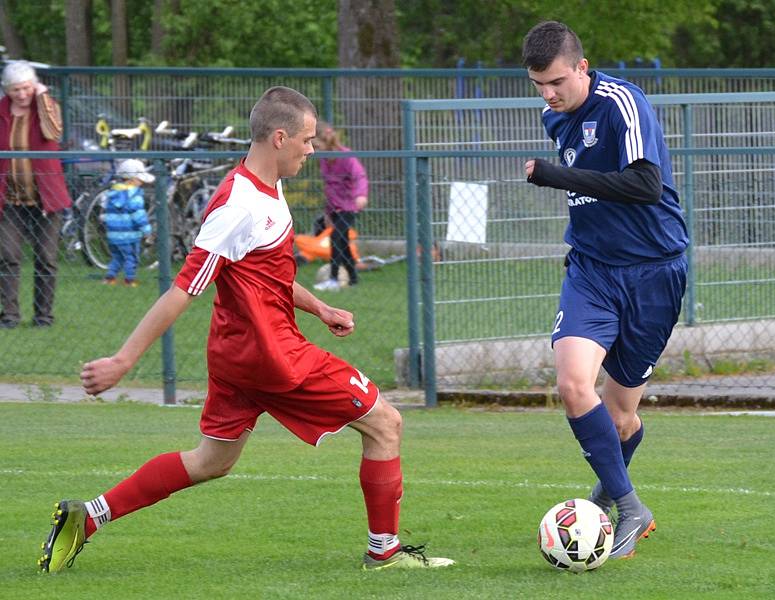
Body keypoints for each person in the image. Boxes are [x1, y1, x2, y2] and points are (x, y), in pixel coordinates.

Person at [38, 86, 453, 573]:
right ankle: (383, 551)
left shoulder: (265, 187)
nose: (311, 149)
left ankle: (86, 518)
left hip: (238, 355)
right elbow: (182, 289)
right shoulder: (237, 206)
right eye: (307, 139)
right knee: (386, 424)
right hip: (274, 358)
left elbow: (265, 274)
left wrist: (320, 308)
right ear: (280, 137)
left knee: (211, 461)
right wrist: (123, 361)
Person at [522, 21, 688, 559]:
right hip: (591, 271)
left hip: (654, 272)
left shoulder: (623, 102)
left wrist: (557, 177)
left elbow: (644, 185)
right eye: (539, 85)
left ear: (581, 67)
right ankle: (631, 508)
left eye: (556, 82)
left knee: (620, 419)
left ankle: (606, 503)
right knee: (573, 385)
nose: (549, 95)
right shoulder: (556, 118)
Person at [0, 61, 72, 328]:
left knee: (46, 257)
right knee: (8, 257)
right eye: (16, 89)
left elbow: (53, 132)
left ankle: (43, 316)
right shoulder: (1, 112)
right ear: (7, 90)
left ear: (35, 86)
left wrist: (42, 97)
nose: (21, 94)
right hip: (9, 199)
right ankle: (9, 316)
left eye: (27, 88)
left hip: (45, 198)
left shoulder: (47, 105)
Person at [312, 121, 368, 291]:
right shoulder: (323, 160)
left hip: (349, 206)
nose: (312, 149)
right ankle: (353, 278)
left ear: (324, 142)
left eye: (315, 144)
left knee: (336, 239)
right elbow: (329, 188)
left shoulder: (346, 156)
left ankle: (334, 279)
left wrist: (361, 195)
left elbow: (360, 176)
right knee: (343, 243)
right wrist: (328, 213)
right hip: (335, 208)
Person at [102, 158, 154, 287]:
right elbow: (139, 216)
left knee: (117, 257)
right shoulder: (135, 196)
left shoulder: (113, 193)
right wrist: (147, 230)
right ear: (132, 179)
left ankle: (110, 278)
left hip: (113, 234)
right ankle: (129, 280)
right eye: (140, 179)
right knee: (131, 257)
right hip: (130, 235)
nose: (142, 182)